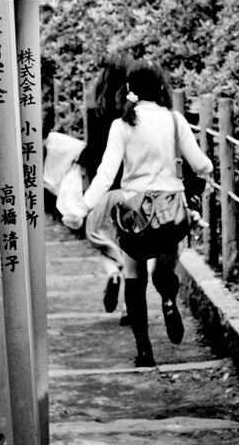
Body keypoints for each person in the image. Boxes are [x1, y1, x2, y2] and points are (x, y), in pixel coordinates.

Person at [78, 60, 213, 367]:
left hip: (134, 214)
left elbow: (105, 173)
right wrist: (206, 174)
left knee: (134, 279)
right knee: (164, 269)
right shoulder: (174, 120)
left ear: (129, 90)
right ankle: (167, 297)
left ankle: (144, 352)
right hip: (170, 210)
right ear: (161, 88)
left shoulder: (122, 124)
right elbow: (200, 163)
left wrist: (84, 206)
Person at [75, 53, 132, 318]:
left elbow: (92, 143)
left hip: (101, 178)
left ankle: (113, 273)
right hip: (129, 179)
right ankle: (127, 307)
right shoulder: (132, 105)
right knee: (129, 238)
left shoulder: (94, 100)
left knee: (102, 234)